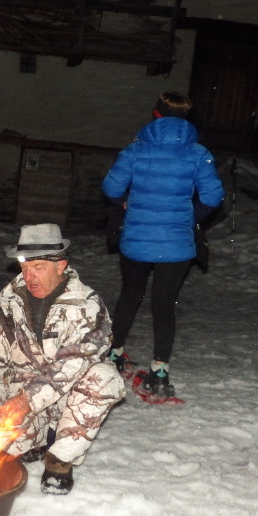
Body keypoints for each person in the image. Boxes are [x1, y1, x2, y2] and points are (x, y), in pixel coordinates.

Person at [0, 224, 125, 495]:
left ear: (60, 265)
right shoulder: (9, 303)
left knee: (102, 378)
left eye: (38, 267)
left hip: (66, 395)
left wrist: (26, 400)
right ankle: (38, 439)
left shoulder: (87, 305)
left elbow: (72, 364)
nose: (29, 276)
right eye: (24, 267)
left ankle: (59, 461)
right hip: (24, 394)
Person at [102, 91, 224, 397]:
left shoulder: (135, 149)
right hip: (176, 244)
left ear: (156, 114)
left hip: (137, 241)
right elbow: (212, 197)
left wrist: (125, 201)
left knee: (130, 295)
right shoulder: (198, 153)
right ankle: (159, 370)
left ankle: (114, 354)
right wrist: (189, 216)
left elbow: (111, 187)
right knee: (164, 304)